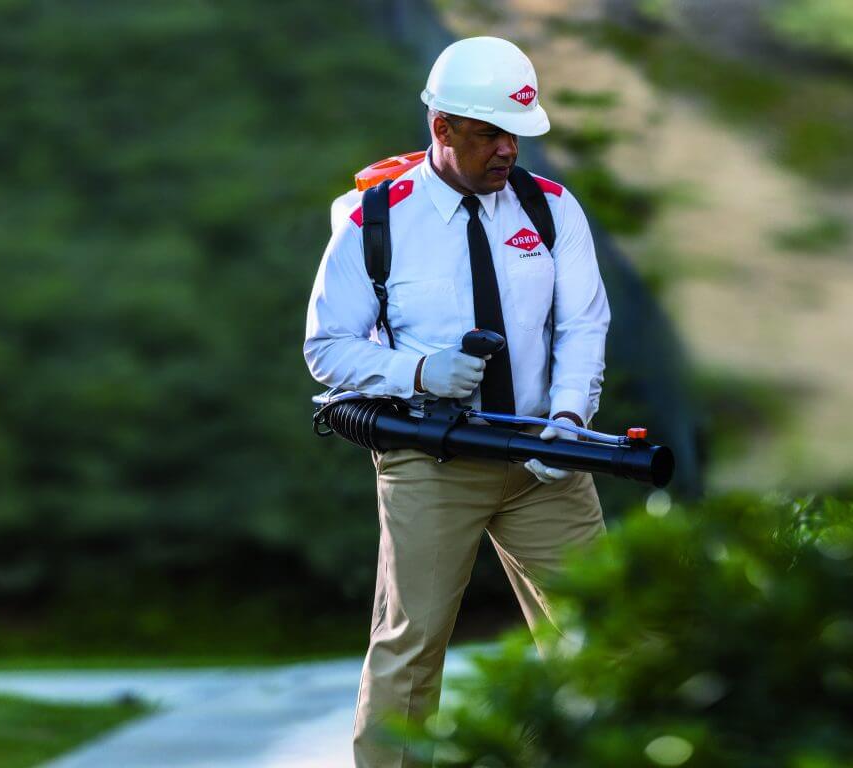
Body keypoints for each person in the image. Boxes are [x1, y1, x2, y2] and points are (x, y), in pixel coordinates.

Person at [303, 36, 611, 767]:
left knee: (604, 633)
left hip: (546, 458)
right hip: (431, 461)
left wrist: (567, 421)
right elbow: (325, 348)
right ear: (442, 128)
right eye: (490, 134)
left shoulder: (551, 208)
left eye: (517, 134)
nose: (508, 150)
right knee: (410, 649)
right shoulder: (375, 222)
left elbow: (583, 323)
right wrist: (416, 372)